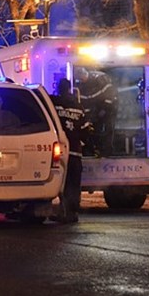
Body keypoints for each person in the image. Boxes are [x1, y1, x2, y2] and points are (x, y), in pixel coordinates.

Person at [50, 78, 93, 223]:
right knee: (74, 183)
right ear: (70, 89)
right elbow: (86, 130)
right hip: (76, 151)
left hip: (61, 152)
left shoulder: (54, 104)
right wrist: (83, 143)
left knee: (62, 182)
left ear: (58, 88)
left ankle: (63, 212)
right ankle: (73, 213)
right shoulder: (78, 106)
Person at [76, 68, 118, 156]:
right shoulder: (81, 86)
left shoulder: (101, 80)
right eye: (79, 79)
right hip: (97, 110)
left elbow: (110, 96)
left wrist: (104, 109)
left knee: (108, 129)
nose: (81, 80)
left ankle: (107, 152)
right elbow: (87, 100)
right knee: (95, 130)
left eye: (81, 78)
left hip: (108, 109)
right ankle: (96, 150)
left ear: (85, 74)